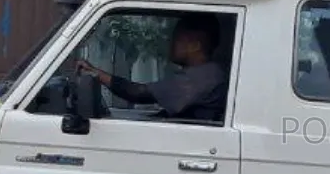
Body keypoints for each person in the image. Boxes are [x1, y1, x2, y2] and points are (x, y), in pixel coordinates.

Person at [75, 14, 228, 122]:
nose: (170, 43)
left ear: (195, 46)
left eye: (177, 39)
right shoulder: (208, 74)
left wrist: (96, 74)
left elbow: (139, 93)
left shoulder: (203, 77)